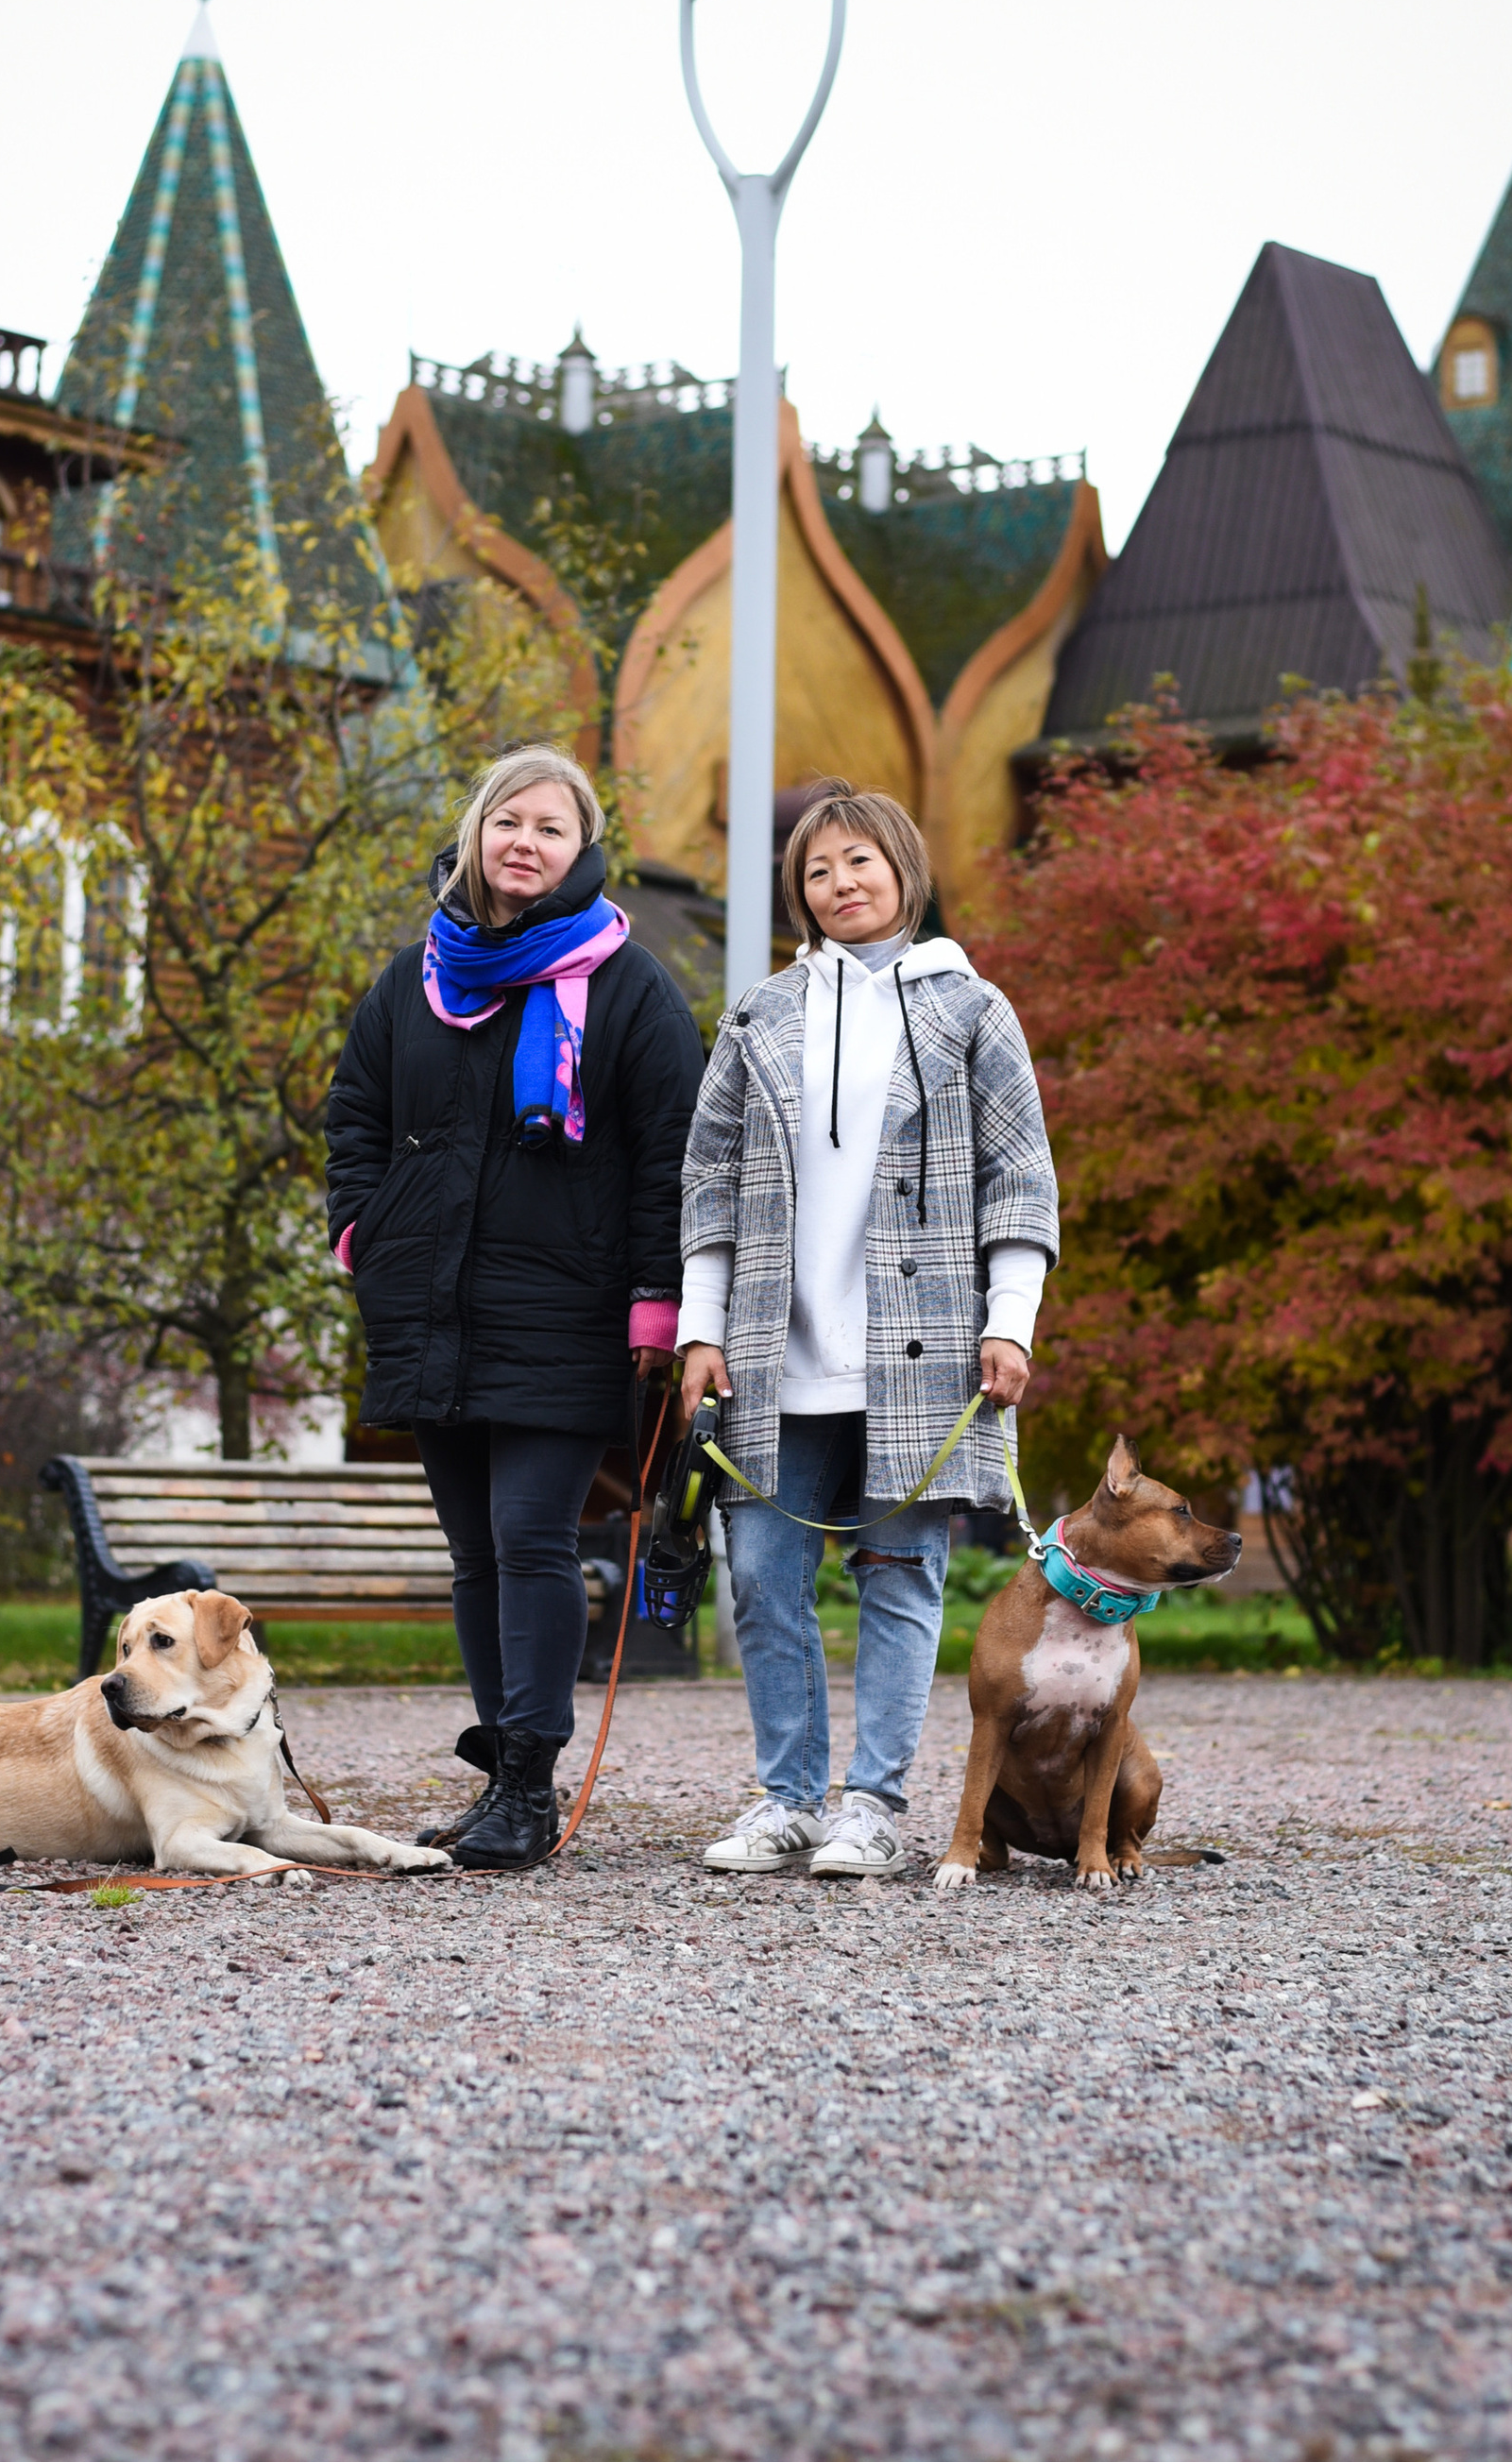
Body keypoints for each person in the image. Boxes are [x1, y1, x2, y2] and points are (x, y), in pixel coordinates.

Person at [325, 746, 705, 1869]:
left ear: (580, 850)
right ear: (476, 836)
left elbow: (670, 1155)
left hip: (568, 1309)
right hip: (432, 1303)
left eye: (551, 826)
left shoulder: (628, 985)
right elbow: (354, 1111)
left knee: (531, 1537)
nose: (525, 842)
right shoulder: (415, 978)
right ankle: (504, 1779)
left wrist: (654, 1303)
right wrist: (363, 1229)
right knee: (473, 1553)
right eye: (508, 821)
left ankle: (531, 1786)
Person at [676, 784, 1058, 1877]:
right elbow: (707, 1180)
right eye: (816, 871)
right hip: (769, 1356)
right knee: (760, 1570)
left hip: (926, 1349)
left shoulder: (971, 1008)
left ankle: (871, 1806)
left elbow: (1021, 1177)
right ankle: (786, 1796)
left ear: (903, 869)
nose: (840, 885)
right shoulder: (760, 1013)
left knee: (900, 1574)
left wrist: (1012, 1320)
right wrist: (701, 1325)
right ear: (798, 893)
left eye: (859, 862)